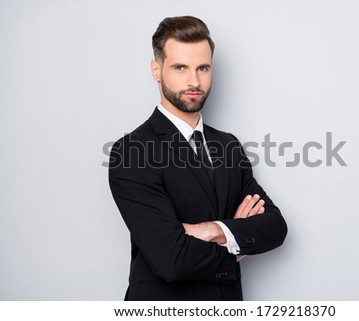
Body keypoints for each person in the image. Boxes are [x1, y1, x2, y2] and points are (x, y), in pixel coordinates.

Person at [109, 15, 287, 301]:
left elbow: (276, 227)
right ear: (156, 70)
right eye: (180, 67)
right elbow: (172, 260)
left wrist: (212, 230)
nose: (194, 81)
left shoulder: (228, 146)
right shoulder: (132, 152)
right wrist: (235, 242)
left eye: (203, 68)